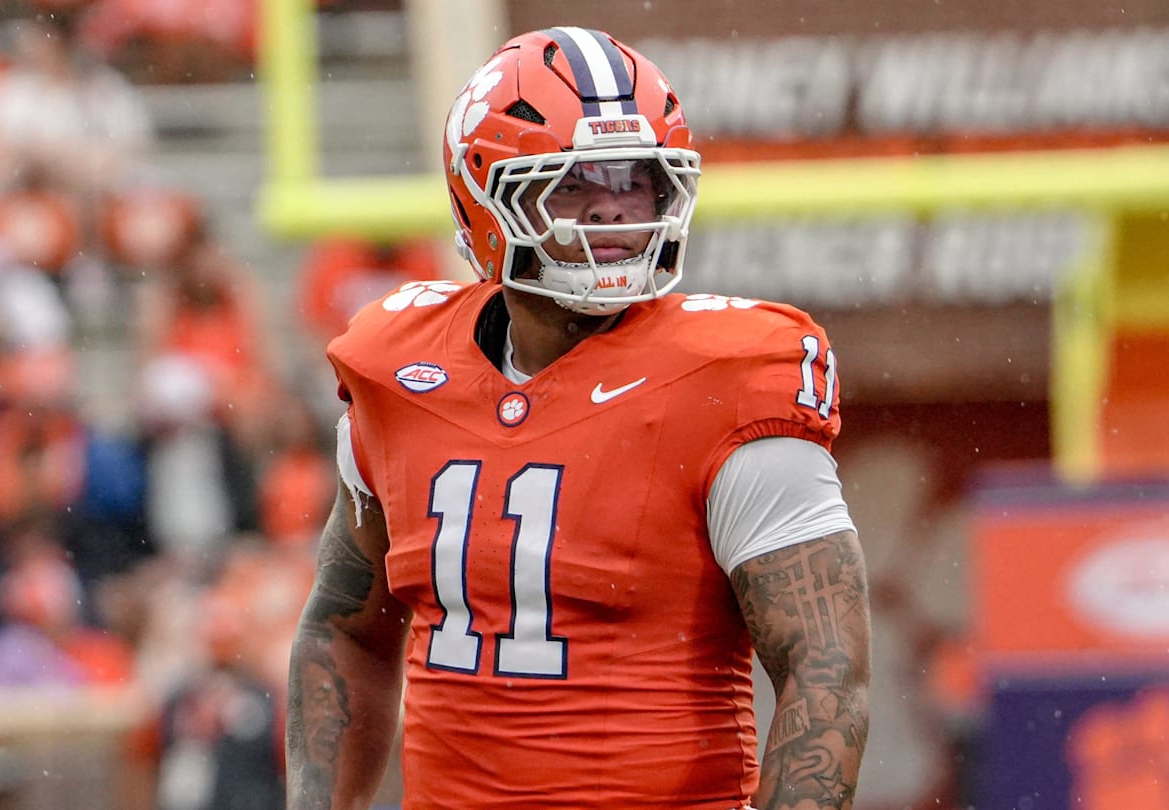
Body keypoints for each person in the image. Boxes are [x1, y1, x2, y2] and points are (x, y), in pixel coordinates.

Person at [286, 26, 871, 810]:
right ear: (483, 195)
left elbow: (826, 667)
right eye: (574, 185)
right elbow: (344, 628)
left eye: (637, 181)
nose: (616, 211)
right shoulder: (399, 370)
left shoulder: (728, 379)